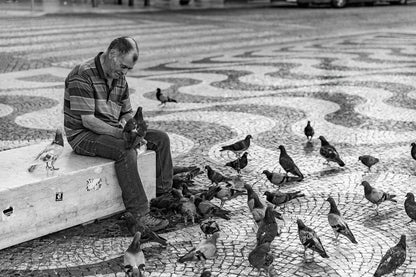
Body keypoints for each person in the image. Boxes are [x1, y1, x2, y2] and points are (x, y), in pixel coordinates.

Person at [63, 37, 172, 232]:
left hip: (112, 129)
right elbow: (88, 121)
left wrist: (130, 127)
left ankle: (163, 195)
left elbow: (126, 112)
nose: (125, 72)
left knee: (161, 139)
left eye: (129, 69)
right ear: (112, 54)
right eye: (123, 67)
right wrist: (122, 134)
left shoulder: (119, 77)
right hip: (82, 135)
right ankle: (139, 214)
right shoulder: (82, 74)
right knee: (125, 150)